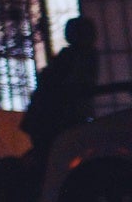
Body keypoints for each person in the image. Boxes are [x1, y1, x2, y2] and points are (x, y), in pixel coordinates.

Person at [23, 15, 102, 164]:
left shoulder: (73, 55)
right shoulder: (82, 55)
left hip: (54, 114)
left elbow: (51, 81)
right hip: (61, 114)